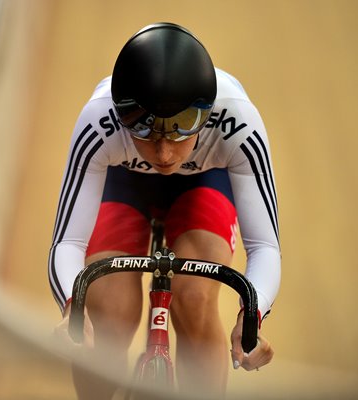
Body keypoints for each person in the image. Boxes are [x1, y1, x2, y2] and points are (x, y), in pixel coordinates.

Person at [49, 22, 280, 399]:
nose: (164, 155)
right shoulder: (98, 119)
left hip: (204, 183)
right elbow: (67, 242)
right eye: (146, 132)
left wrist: (250, 317)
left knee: (194, 298)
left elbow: (265, 247)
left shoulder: (239, 120)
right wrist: (74, 311)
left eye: (180, 132)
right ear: (123, 114)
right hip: (124, 182)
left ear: (206, 115)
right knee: (107, 316)